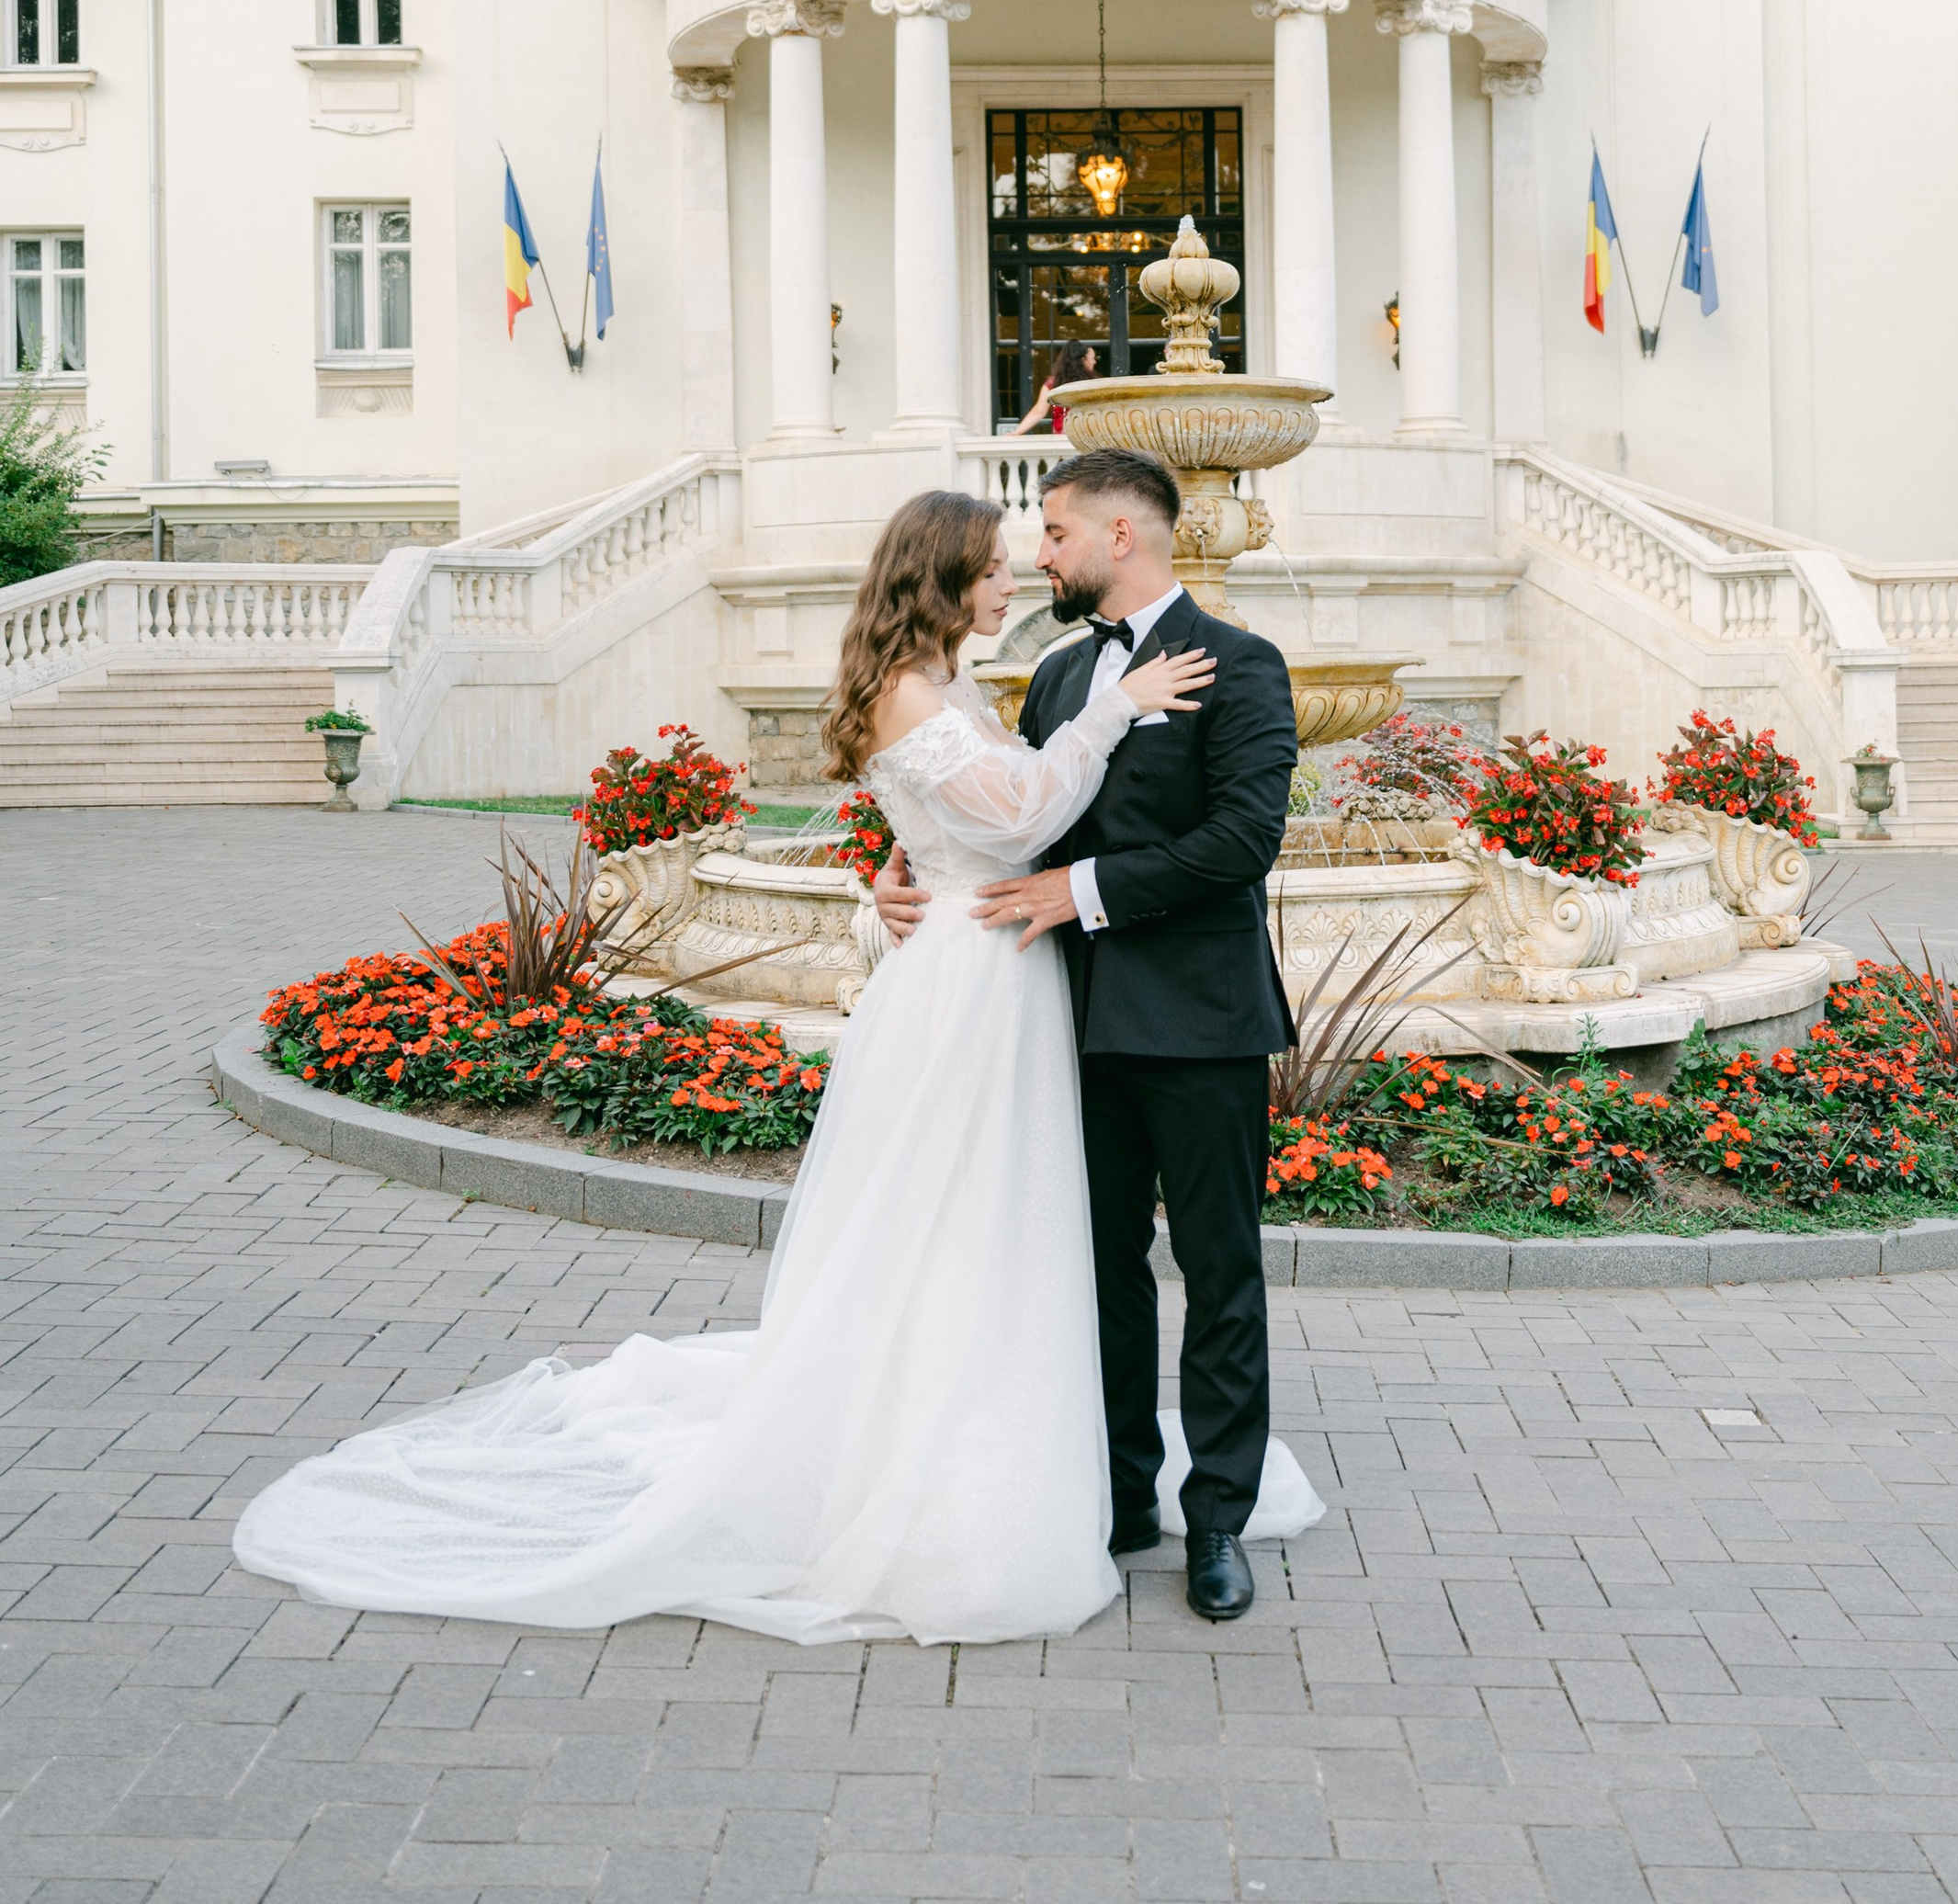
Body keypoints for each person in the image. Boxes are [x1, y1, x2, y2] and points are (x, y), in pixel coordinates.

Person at [231, 490, 1257, 1647]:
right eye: (994, 563)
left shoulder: (1045, 677)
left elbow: (1088, 827)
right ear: (943, 575)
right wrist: (1106, 715)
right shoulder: (1030, 684)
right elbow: (1019, 816)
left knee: (1050, 1236)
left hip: (1058, 988)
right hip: (979, 990)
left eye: (1040, 545)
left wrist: (898, 880)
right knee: (972, 1229)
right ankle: (1013, 1483)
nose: (1020, 571)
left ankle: (1142, 1492)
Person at [876, 447, 1305, 1626]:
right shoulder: (1061, 675)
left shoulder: (1245, 664)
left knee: (1217, 1271)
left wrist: (1087, 892)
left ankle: (1217, 1516)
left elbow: (1241, 840)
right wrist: (896, 867)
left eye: (1056, 531)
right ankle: (1120, 1500)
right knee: (1098, 1269)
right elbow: (1006, 817)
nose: (1040, 552)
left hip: (1201, 1023)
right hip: (1060, 1021)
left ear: (1122, 535)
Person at [1016, 334, 1098, 435]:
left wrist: (1017, 432)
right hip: (1089, 437)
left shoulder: (1053, 383)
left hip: (1062, 436)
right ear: (1083, 360)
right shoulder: (1094, 384)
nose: (1094, 362)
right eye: (1092, 358)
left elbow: (1039, 411)